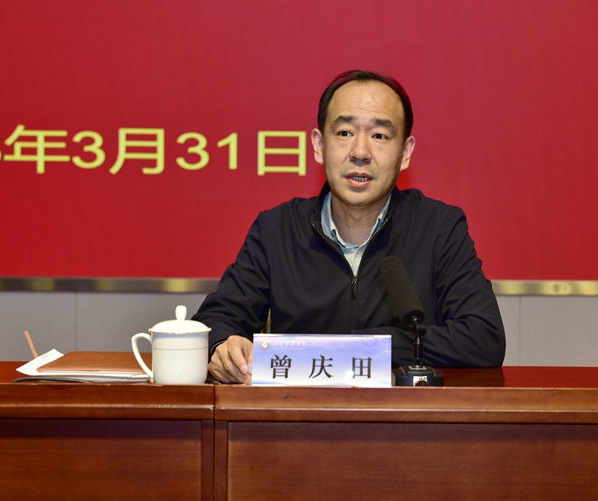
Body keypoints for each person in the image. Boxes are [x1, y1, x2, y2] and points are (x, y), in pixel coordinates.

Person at [193, 70, 505, 383]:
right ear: (319, 145)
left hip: (402, 413)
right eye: (344, 132)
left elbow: (483, 337)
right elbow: (216, 321)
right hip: (299, 411)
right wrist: (223, 347)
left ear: (405, 153)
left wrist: (363, 347)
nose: (360, 152)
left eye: (379, 136)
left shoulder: (438, 228)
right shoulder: (277, 229)